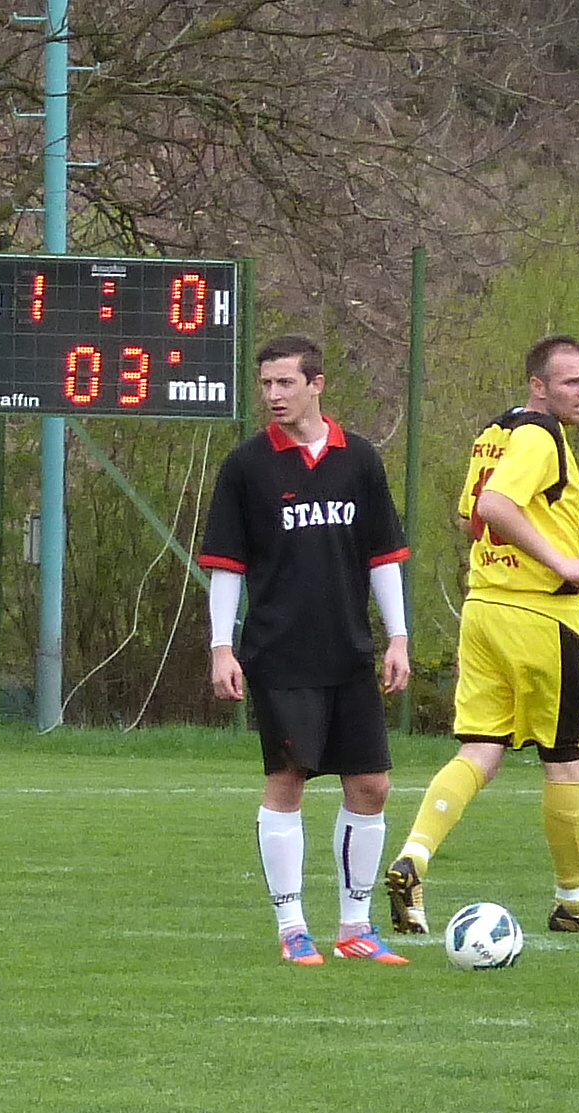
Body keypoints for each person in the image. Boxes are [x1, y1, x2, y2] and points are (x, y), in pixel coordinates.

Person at [386, 335, 579, 937]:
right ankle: (574, 902)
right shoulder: (541, 436)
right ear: (538, 386)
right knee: (568, 764)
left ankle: (413, 858)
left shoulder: (494, 433)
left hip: (484, 611)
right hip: (541, 621)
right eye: (570, 382)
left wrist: (568, 531)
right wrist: (564, 563)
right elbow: (498, 506)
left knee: (480, 751)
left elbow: (477, 514)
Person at [198, 334, 413, 965]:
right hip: (277, 653)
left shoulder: (360, 460)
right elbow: (226, 567)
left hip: (349, 651)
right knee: (287, 780)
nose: (272, 395)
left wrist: (396, 636)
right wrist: (221, 646)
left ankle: (356, 927)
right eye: (265, 384)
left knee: (370, 785)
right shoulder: (246, 466)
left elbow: (383, 558)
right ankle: (293, 927)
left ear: (316, 384)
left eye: (285, 383)